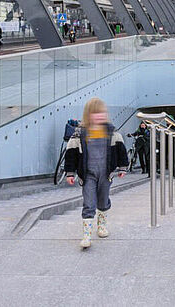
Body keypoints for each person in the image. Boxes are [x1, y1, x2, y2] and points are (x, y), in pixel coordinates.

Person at [63, 97, 129, 249]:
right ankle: (86, 235)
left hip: (106, 174)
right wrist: (70, 173)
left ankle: (102, 225)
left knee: (103, 200)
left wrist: (123, 167)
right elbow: (71, 154)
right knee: (89, 202)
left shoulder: (112, 133)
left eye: (101, 113)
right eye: (94, 113)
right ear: (88, 115)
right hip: (88, 175)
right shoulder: (79, 134)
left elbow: (121, 152)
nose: (99, 116)